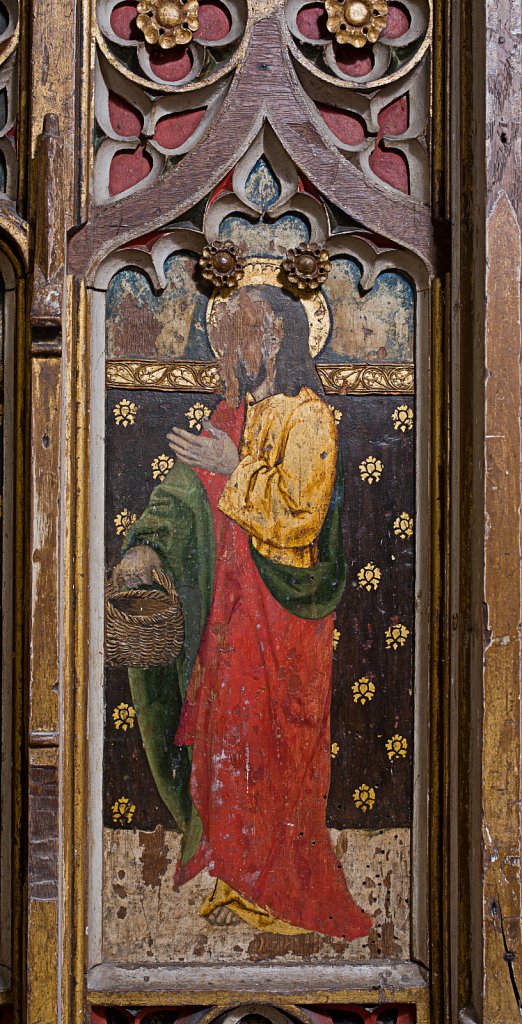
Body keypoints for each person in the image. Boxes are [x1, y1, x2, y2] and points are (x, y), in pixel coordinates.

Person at [113, 285, 372, 940]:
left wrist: (235, 470)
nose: (232, 351)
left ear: (281, 342)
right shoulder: (230, 419)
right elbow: (181, 495)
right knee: (229, 737)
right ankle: (238, 877)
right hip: (229, 621)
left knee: (279, 743)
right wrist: (145, 547)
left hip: (284, 619)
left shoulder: (307, 417)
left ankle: (283, 890)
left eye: (245, 337)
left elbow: (299, 516)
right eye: (226, 337)